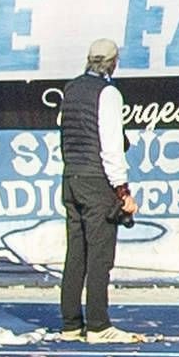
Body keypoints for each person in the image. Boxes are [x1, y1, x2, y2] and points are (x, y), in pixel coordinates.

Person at [54, 36, 128, 336]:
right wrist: (122, 190)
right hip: (96, 180)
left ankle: (71, 323)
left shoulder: (70, 89)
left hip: (71, 176)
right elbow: (111, 145)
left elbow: (64, 129)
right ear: (113, 63)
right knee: (100, 255)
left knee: (76, 254)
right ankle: (98, 325)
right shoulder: (108, 93)